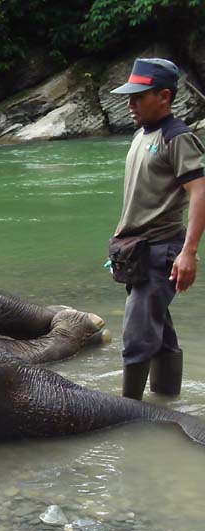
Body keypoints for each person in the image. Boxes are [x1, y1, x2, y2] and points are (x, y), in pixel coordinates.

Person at [109, 58, 205, 400]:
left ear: (164, 96)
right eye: (130, 97)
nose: (130, 104)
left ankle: (126, 415)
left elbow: (199, 192)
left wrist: (189, 252)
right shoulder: (142, 134)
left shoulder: (177, 137)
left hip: (160, 251)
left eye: (139, 97)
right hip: (137, 252)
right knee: (159, 332)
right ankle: (169, 402)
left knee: (136, 338)